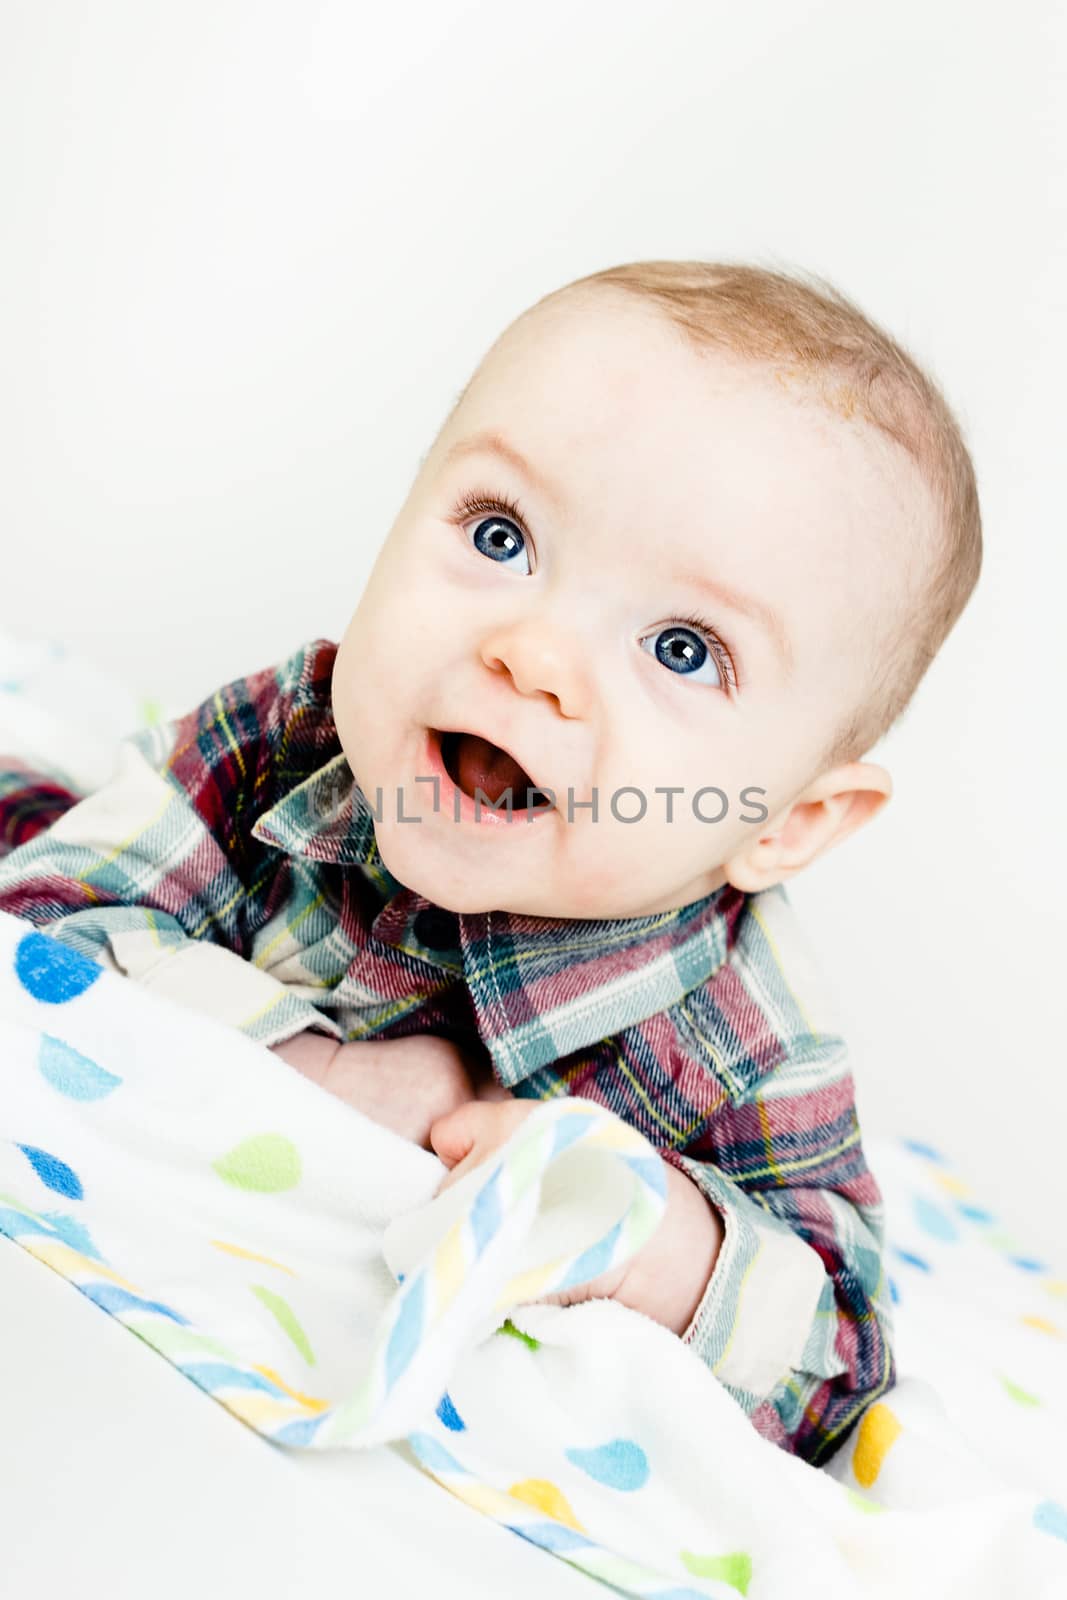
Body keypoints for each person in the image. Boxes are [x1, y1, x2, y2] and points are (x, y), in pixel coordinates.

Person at [0, 259, 982, 1467]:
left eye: (680, 648)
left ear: (785, 822)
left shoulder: (745, 1036)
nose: (532, 653)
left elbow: (836, 1367)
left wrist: (653, 1240)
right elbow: (48, 915)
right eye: (501, 534)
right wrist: (309, 1063)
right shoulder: (291, 737)